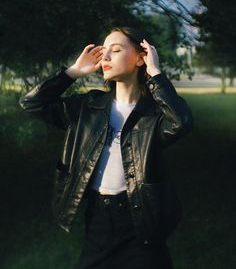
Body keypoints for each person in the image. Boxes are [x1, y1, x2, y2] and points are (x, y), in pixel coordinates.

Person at [19, 27, 193, 269]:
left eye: (117, 50)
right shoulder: (87, 107)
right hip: (98, 219)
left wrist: (155, 73)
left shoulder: (153, 114)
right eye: (105, 51)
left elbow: (181, 122)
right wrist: (73, 72)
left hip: (141, 221)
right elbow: (32, 102)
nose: (106, 58)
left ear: (140, 57)